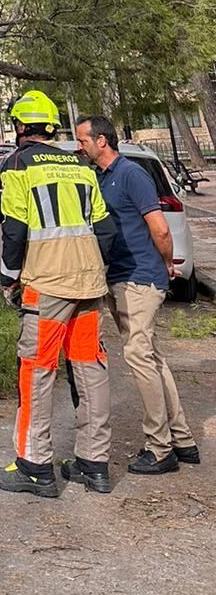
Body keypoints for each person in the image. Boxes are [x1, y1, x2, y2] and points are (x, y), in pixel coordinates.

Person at [0, 90, 117, 498]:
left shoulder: (18, 163)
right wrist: (95, 269)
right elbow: (106, 229)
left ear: (20, 126)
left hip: (46, 285)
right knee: (90, 369)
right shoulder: (79, 164)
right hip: (88, 283)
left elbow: (14, 228)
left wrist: (8, 277)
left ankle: (34, 465)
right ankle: (94, 463)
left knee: (37, 371)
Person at [75, 115, 200, 474]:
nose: (80, 146)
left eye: (83, 140)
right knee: (152, 357)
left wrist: (165, 265)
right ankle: (183, 439)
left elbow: (160, 229)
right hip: (119, 276)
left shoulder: (132, 175)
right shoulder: (99, 178)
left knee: (138, 355)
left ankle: (160, 448)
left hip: (140, 278)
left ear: (102, 141)